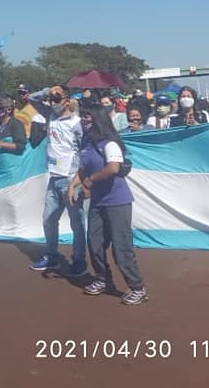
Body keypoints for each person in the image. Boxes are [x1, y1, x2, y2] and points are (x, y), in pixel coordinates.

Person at [69, 105, 148, 305]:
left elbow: (113, 168)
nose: (83, 119)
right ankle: (103, 280)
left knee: (121, 247)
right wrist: (72, 186)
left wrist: (90, 181)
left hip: (117, 201)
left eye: (87, 116)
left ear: (98, 119)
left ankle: (137, 287)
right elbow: (83, 169)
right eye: (82, 116)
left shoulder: (110, 143)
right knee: (94, 243)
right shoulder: (86, 143)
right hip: (97, 201)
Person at [28, 85, 87, 275]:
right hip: (54, 178)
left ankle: (79, 260)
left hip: (71, 180)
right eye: (51, 99)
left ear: (67, 100)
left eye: (57, 98)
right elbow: (31, 99)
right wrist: (47, 91)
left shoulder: (78, 123)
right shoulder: (49, 115)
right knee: (48, 219)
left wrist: (80, 181)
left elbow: (84, 152)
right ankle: (51, 256)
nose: (53, 102)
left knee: (76, 223)